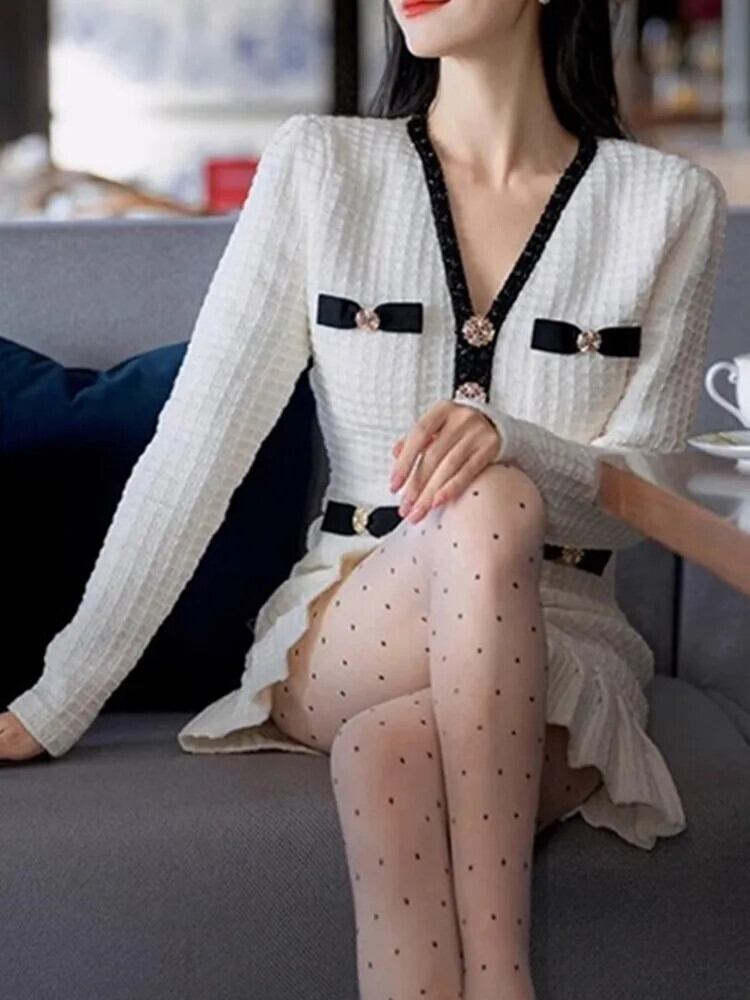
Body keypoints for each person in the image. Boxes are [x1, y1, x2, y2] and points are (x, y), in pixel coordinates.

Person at [1, 0, 728, 997]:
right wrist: (57, 699)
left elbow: (644, 494)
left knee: (389, 753)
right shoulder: (322, 166)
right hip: (354, 621)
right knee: (485, 505)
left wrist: (513, 440)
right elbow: (195, 452)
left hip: (566, 640)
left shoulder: (668, 203)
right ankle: (504, 978)